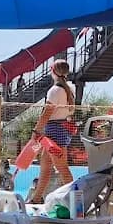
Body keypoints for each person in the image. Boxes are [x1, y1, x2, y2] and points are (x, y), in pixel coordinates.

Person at [32, 58, 76, 196]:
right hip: (61, 129)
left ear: (53, 71)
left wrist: (37, 130)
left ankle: (74, 198)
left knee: (61, 167)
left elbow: (47, 113)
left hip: (54, 131)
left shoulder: (55, 90)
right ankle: (37, 197)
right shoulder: (70, 88)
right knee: (45, 167)